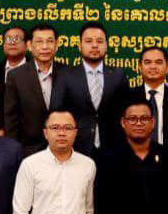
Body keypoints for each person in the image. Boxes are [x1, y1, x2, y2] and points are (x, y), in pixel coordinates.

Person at [49, 21, 128, 155]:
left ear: (106, 45)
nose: (94, 45)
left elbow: (126, 110)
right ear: (80, 46)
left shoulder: (118, 75)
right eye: (89, 41)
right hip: (75, 147)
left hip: (113, 147)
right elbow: (56, 111)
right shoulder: (65, 75)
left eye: (99, 41)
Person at [4, 24, 68, 155]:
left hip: (63, 149)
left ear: (56, 45)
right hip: (28, 151)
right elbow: (11, 120)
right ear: (29, 45)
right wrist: (13, 153)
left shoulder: (68, 73)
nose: (45, 47)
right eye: (39, 41)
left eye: (50, 41)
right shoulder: (16, 76)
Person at [128, 46, 168, 148]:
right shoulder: (127, 97)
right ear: (140, 67)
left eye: (158, 62)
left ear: (167, 68)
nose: (153, 66)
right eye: (148, 62)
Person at [0, 26, 28, 108]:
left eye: (17, 39)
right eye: (8, 39)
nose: (12, 43)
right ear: (4, 45)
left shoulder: (37, 70)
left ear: (27, 45)